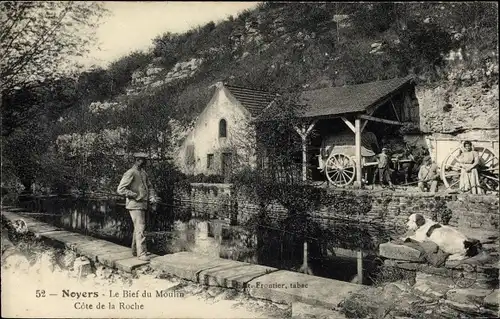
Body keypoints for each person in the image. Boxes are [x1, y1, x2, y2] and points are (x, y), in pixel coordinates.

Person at [117, 153, 158, 261]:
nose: (145, 163)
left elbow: (150, 186)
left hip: (143, 204)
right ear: (137, 160)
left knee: (138, 228)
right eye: (143, 160)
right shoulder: (130, 172)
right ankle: (142, 254)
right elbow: (120, 189)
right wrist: (134, 194)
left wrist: (152, 196)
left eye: (145, 160)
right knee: (141, 228)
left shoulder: (143, 173)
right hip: (135, 205)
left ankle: (135, 250)